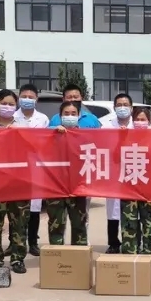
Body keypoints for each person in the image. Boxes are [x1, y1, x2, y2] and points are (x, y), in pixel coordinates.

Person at [0, 89, 31, 274]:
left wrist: (18, 134)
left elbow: (34, 148)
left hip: (19, 183)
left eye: (11, 104)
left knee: (19, 223)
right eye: (4, 103)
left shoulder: (23, 126)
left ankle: (18, 259)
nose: (7, 107)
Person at [45, 101, 91, 247]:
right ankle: (57, 254)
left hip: (77, 187)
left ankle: (79, 255)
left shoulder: (86, 135)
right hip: (55, 186)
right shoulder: (51, 133)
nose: (70, 116)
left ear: (78, 116)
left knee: (79, 223)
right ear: (60, 116)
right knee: (56, 223)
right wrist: (53, 132)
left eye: (73, 114)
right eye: (66, 113)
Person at [14, 83, 50, 257]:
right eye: (24, 96)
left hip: (36, 166)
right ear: (19, 97)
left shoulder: (43, 119)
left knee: (35, 206)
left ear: (37, 99)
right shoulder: (12, 117)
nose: (27, 99)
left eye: (31, 97)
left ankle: (33, 242)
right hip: (16, 167)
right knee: (16, 207)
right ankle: (14, 242)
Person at [100, 93, 138, 254]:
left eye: (125, 105)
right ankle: (114, 243)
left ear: (131, 108)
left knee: (133, 208)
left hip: (134, 170)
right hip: (114, 171)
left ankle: (133, 241)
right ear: (115, 107)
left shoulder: (138, 125)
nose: (122, 108)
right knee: (113, 209)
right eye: (119, 105)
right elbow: (102, 145)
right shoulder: (106, 125)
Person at [119, 107, 151, 255]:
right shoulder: (126, 135)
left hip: (149, 187)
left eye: (143, 120)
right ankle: (130, 252)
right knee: (129, 221)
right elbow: (114, 156)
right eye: (137, 119)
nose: (140, 122)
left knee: (149, 222)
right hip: (129, 186)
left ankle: (147, 253)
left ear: (149, 121)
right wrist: (121, 137)